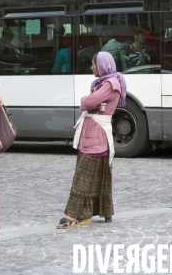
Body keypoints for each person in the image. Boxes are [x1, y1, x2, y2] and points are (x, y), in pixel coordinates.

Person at [57, 52, 127, 229]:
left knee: (82, 176)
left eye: (94, 64)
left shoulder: (110, 84)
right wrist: (90, 102)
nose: (92, 67)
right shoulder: (104, 83)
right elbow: (91, 103)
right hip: (93, 134)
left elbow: (88, 103)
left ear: (102, 65)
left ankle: (71, 214)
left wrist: (87, 102)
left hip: (96, 136)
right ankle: (86, 214)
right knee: (94, 175)